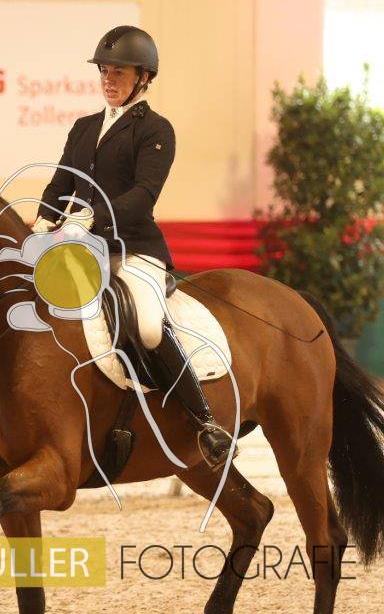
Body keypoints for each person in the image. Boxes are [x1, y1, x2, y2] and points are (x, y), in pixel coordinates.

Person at [34, 25, 236, 468]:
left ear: (143, 78)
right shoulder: (84, 127)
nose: (109, 80)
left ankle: (205, 422)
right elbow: (60, 182)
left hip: (134, 249)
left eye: (119, 73)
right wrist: (44, 219)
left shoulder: (155, 130)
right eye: (104, 71)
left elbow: (144, 194)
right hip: (79, 247)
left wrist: (91, 217)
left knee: (146, 325)